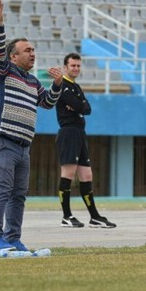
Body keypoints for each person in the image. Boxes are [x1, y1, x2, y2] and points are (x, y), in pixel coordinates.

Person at [0, 0, 64, 252]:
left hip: (23, 147)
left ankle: (13, 238)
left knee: (18, 195)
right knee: (2, 189)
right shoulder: (4, 71)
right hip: (1, 141)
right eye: (27, 50)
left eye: (33, 50)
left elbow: (47, 103)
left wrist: (58, 85)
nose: (33, 53)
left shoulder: (32, 80)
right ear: (13, 56)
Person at [56, 53, 116, 228]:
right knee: (67, 174)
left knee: (87, 175)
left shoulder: (76, 86)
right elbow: (79, 106)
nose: (75, 68)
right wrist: (78, 106)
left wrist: (78, 106)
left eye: (78, 66)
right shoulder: (63, 86)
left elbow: (86, 108)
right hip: (68, 133)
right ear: (65, 67)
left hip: (80, 133)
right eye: (72, 65)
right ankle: (66, 216)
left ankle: (94, 217)